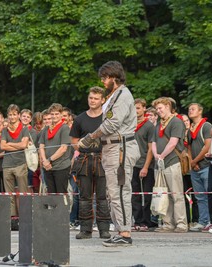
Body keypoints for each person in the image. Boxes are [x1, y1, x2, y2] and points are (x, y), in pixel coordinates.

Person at [78, 61, 140, 247]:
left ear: (114, 77)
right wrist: (99, 139)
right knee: (113, 192)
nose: (103, 81)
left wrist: (90, 137)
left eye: (105, 78)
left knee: (119, 191)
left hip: (120, 149)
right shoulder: (115, 96)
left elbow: (112, 124)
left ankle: (125, 233)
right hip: (112, 147)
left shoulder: (122, 95)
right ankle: (121, 230)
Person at [70, 87, 111, 239]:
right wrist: (81, 144)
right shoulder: (79, 119)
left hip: (103, 159)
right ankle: (86, 229)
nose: (92, 100)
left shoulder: (108, 118)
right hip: (85, 160)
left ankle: (104, 229)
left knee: (102, 197)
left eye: (96, 98)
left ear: (102, 100)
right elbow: (74, 143)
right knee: (84, 197)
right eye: (90, 98)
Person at [151, 97, 188, 233]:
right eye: (157, 109)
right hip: (160, 163)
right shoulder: (159, 123)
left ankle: (181, 224)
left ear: (168, 106)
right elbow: (153, 141)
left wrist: (162, 155)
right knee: (164, 194)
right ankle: (168, 224)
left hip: (172, 161)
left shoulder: (176, 121)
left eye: (160, 108)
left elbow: (173, 142)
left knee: (176, 194)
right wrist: (156, 155)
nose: (158, 111)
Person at [0, 104, 29, 217]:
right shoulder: (4, 130)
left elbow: (24, 145)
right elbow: (2, 146)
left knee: (23, 193)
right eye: (10, 115)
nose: (12, 117)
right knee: (9, 194)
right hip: (7, 165)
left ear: (19, 115)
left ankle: (24, 216)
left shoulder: (24, 129)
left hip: (20, 164)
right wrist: (18, 145)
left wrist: (10, 143)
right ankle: (12, 217)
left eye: (14, 114)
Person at [187, 103, 212, 231]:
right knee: (199, 196)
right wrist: (192, 161)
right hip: (195, 168)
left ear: (200, 111)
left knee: (209, 195)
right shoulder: (190, 128)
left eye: (193, 109)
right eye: (189, 109)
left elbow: (207, 145)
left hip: (205, 165)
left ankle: (210, 221)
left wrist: (195, 161)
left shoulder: (206, 126)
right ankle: (203, 221)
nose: (190, 111)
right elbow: (189, 147)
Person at [131, 98, 155, 231]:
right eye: (134, 108)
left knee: (146, 194)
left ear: (144, 109)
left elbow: (151, 148)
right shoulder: (130, 124)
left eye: (138, 108)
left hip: (145, 164)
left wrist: (146, 166)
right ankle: (137, 220)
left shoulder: (149, 126)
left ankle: (146, 220)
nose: (136, 111)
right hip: (132, 163)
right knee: (135, 194)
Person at [39, 103, 71, 193]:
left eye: (57, 114)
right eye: (52, 114)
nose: (54, 116)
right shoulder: (46, 129)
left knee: (61, 195)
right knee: (51, 195)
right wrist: (45, 161)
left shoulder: (65, 128)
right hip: (48, 167)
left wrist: (49, 160)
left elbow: (63, 148)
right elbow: (41, 146)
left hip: (61, 166)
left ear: (61, 114)